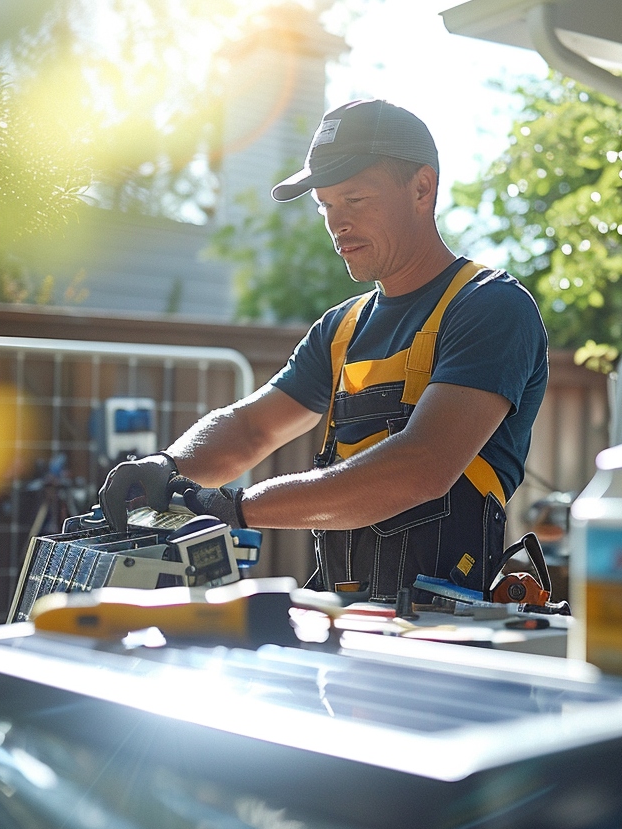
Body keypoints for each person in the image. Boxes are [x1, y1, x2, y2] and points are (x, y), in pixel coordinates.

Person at [99, 99, 548, 599]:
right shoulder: (341, 328)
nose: (337, 224)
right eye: (326, 206)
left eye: (354, 200)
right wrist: (168, 467)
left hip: (452, 633)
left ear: (422, 188)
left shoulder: (490, 307)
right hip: (344, 618)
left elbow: (421, 468)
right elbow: (251, 428)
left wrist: (240, 507)